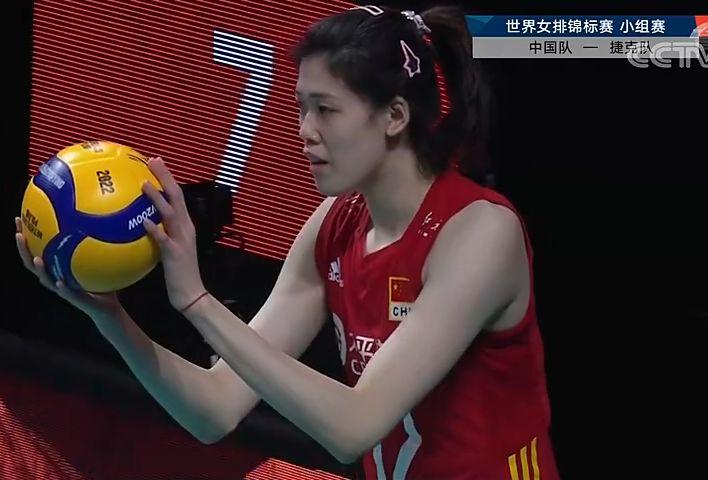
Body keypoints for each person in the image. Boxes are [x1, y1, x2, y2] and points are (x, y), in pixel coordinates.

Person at [15, 5, 560, 479]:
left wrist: (197, 301)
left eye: (326, 109)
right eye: (301, 107)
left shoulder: (480, 232)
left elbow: (355, 426)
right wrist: (110, 317)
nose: (304, 130)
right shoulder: (335, 224)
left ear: (394, 116)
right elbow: (215, 409)